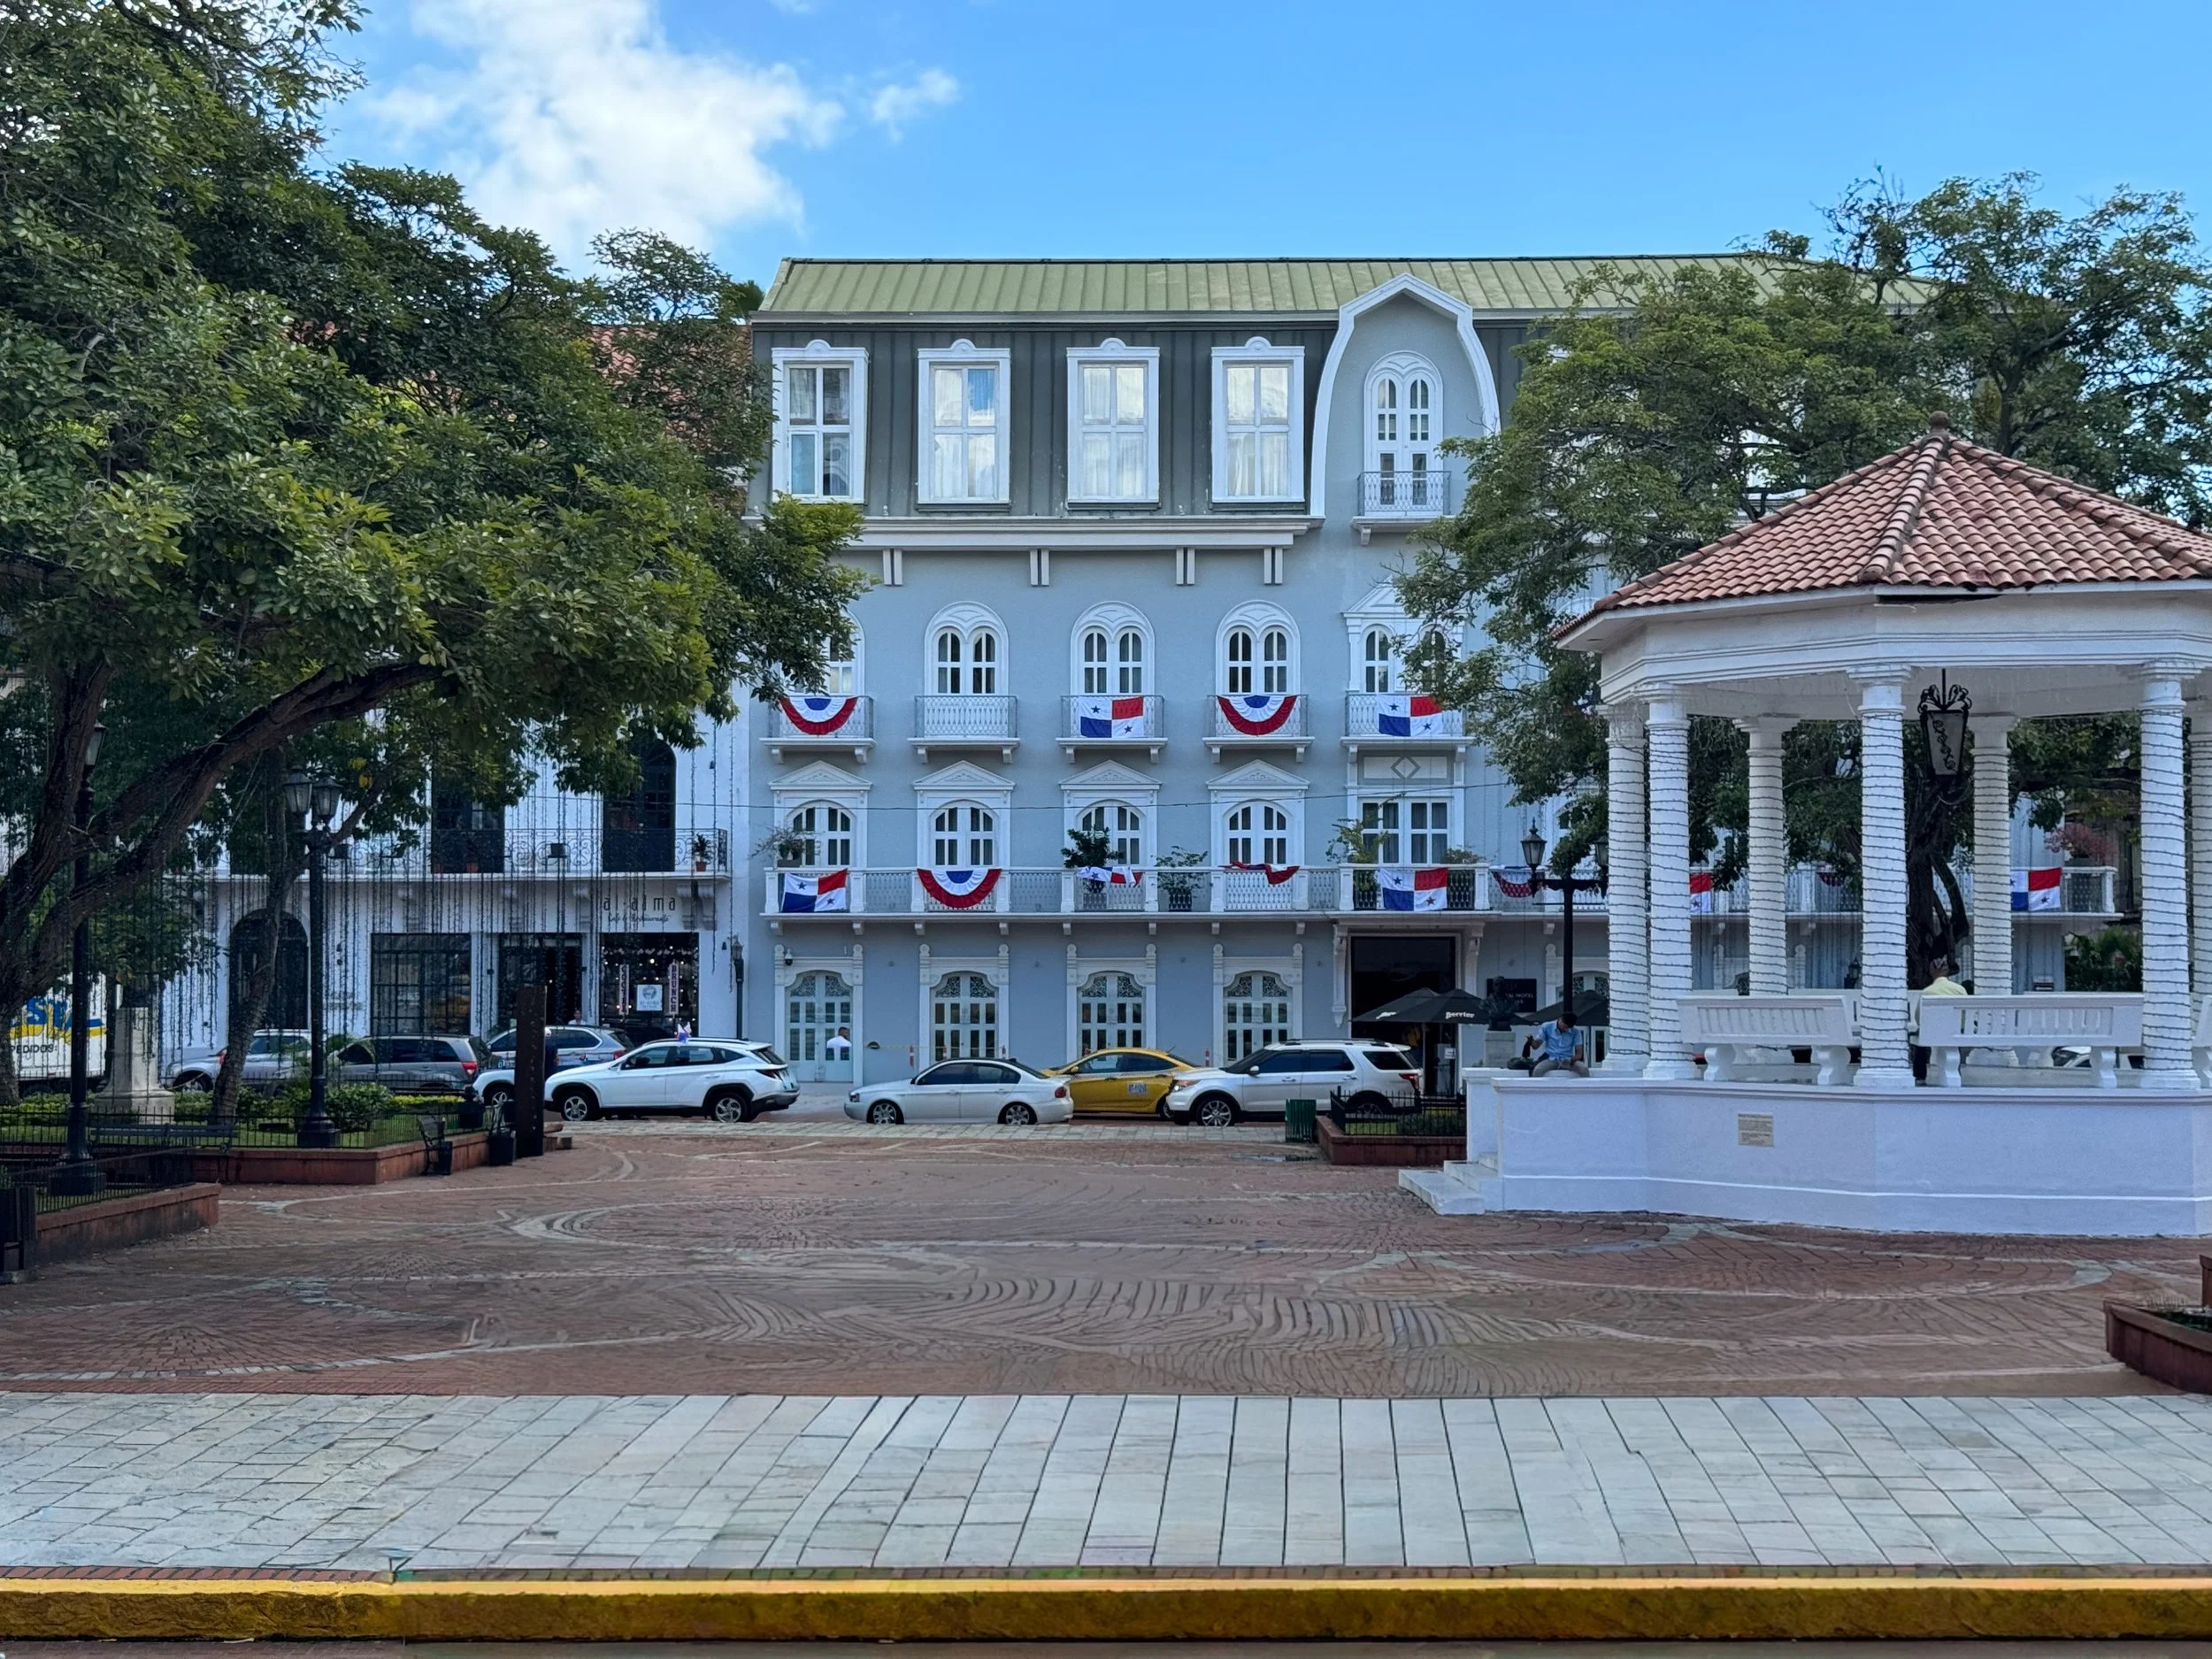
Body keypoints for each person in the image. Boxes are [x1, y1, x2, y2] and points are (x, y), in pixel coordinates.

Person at [1532, 1012, 1586, 1078]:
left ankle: (1586, 1084)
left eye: (1568, 1028)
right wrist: (1531, 1041)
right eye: (1565, 1027)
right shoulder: (1547, 1026)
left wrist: (1571, 1060)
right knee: (1538, 1070)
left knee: (1584, 1069)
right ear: (1560, 1020)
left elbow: (1579, 1054)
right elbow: (1536, 1045)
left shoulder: (1576, 1031)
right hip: (1551, 1058)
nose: (1566, 1030)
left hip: (1568, 1059)